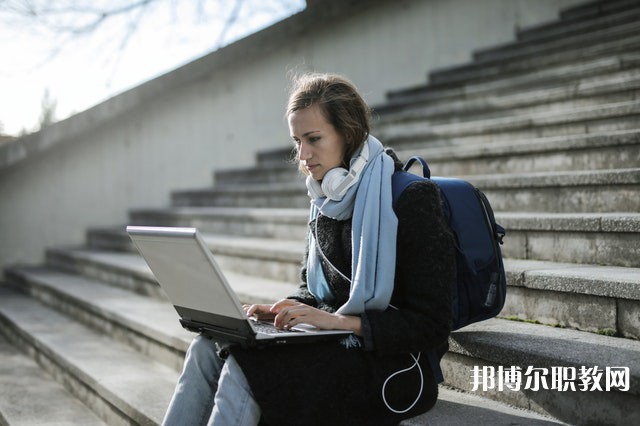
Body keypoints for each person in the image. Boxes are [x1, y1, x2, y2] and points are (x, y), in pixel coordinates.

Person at [162, 73, 456, 426]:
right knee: (206, 347)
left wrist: (337, 322)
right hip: (333, 341)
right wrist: (279, 312)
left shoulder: (411, 199)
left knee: (250, 366)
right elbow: (313, 290)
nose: (303, 155)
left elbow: (433, 324)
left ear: (348, 135)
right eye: (297, 141)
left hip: (392, 363)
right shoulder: (324, 199)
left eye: (313, 139)